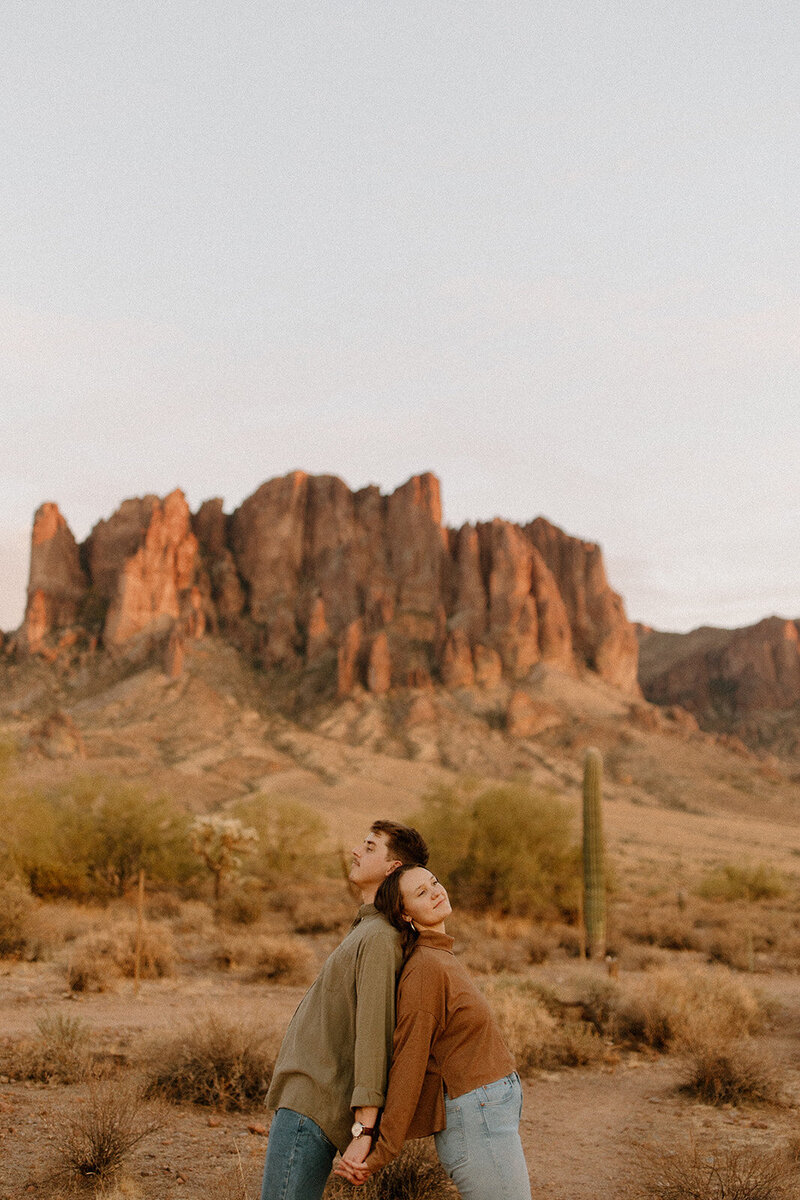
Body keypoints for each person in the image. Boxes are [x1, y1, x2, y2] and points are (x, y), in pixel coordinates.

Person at [334, 864, 532, 1200]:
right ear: (405, 913)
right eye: (421, 893)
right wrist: (382, 1150)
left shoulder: (440, 955)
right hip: (475, 1120)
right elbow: (408, 1064)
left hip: (488, 1114)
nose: (436, 891)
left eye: (434, 882)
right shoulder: (425, 969)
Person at [260, 820, 429, 1200]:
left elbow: (374, 1036)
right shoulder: (368, 930)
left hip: (313, 1106)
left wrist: (364, 1131)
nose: (356, 850)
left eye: (370, 847)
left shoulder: (379, 939)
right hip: (305, 1100)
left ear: (393, 869)